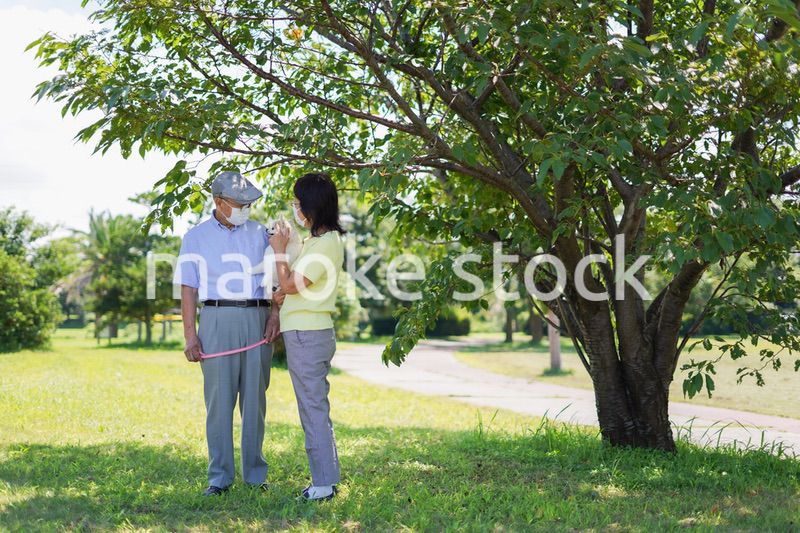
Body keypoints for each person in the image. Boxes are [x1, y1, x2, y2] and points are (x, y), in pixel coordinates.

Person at [173, 171, 281, 496]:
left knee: (255, 401)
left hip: (257, 317)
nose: (246, 208)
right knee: (219, 403)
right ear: (219, 202)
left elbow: (276, 278)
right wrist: (190, 336)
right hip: (216, 319)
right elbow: (188, 289)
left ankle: (255, 476)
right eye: (239, 203)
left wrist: (275, 315)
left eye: (249, 204)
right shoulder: (195, 237)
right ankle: (219, 478)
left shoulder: (262, 234)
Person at [269, 172, 346, 501]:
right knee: (314, 407)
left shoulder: (326, 243)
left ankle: (324, 485)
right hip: (307, 332)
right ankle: (326, 478)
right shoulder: (318, 242)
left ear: (311, 206)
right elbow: (295, 287)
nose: (295, 208)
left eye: (298, 203)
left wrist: (278, 250)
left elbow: (290, 284)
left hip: (308, 334)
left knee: (312, 409)